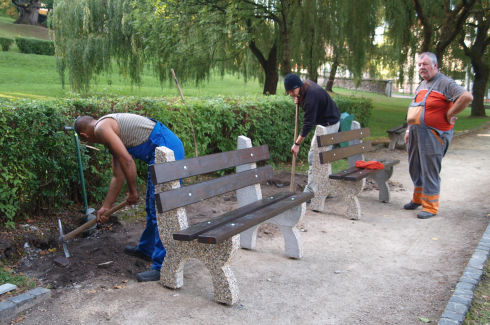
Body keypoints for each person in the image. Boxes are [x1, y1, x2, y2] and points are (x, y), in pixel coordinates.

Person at [74, 113, 185, 281]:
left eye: (85, 141)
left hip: (167, 149)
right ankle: (146, 250)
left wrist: (133, 192)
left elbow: (127, 161)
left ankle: (163, 265)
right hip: (161, 151)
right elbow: (118, 176)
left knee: (160, 211)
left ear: (84, 136)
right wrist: (106, 207)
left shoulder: (102, 129)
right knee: (151, 207)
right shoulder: (107, 130)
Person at [404, 52, 473, 219]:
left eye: (425, 64)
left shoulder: (445, 82)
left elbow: (466, 96)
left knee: (430, 170)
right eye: (419, 64)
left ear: (435, 66)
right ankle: (418, 199)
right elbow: (415, 108)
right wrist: (408, 129)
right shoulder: (422, 84)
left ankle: (430, 207)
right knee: (415, 167)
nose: (421, 67)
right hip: (415, 133)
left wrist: (450, 113)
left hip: (433, 134)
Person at [284, 73, 341, 195]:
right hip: (330, 121)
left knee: (314, 156)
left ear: (299, 86)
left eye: (292, 90)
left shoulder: (311, 97)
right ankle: (328, 190)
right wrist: (299, 99)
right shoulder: (305, 87)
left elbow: (308, 124)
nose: (291, 94)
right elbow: (307, 103)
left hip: (329, 124)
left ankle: (310, 192)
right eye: (289, 91)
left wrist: (296, 144)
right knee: (324, 157)